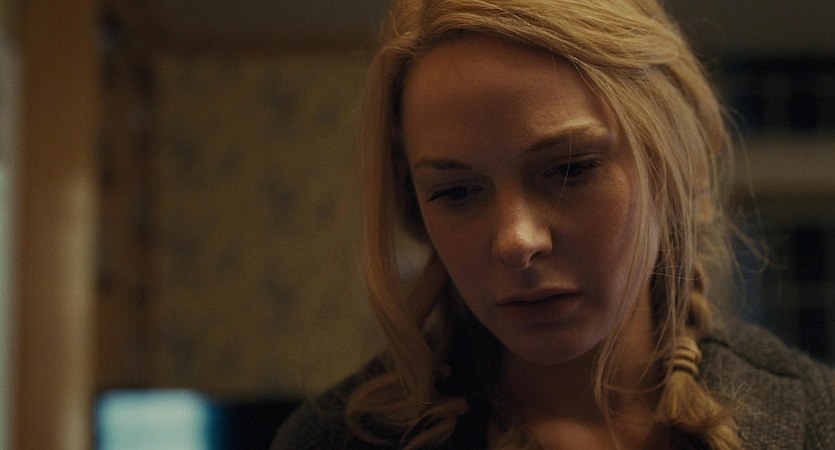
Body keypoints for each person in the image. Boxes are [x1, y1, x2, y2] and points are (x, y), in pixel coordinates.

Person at [273, 0, 835, 448]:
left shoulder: (816, 421)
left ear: (671, 160)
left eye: (569, 170)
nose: (517, 241)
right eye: (457, 191)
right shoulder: (334, 438)